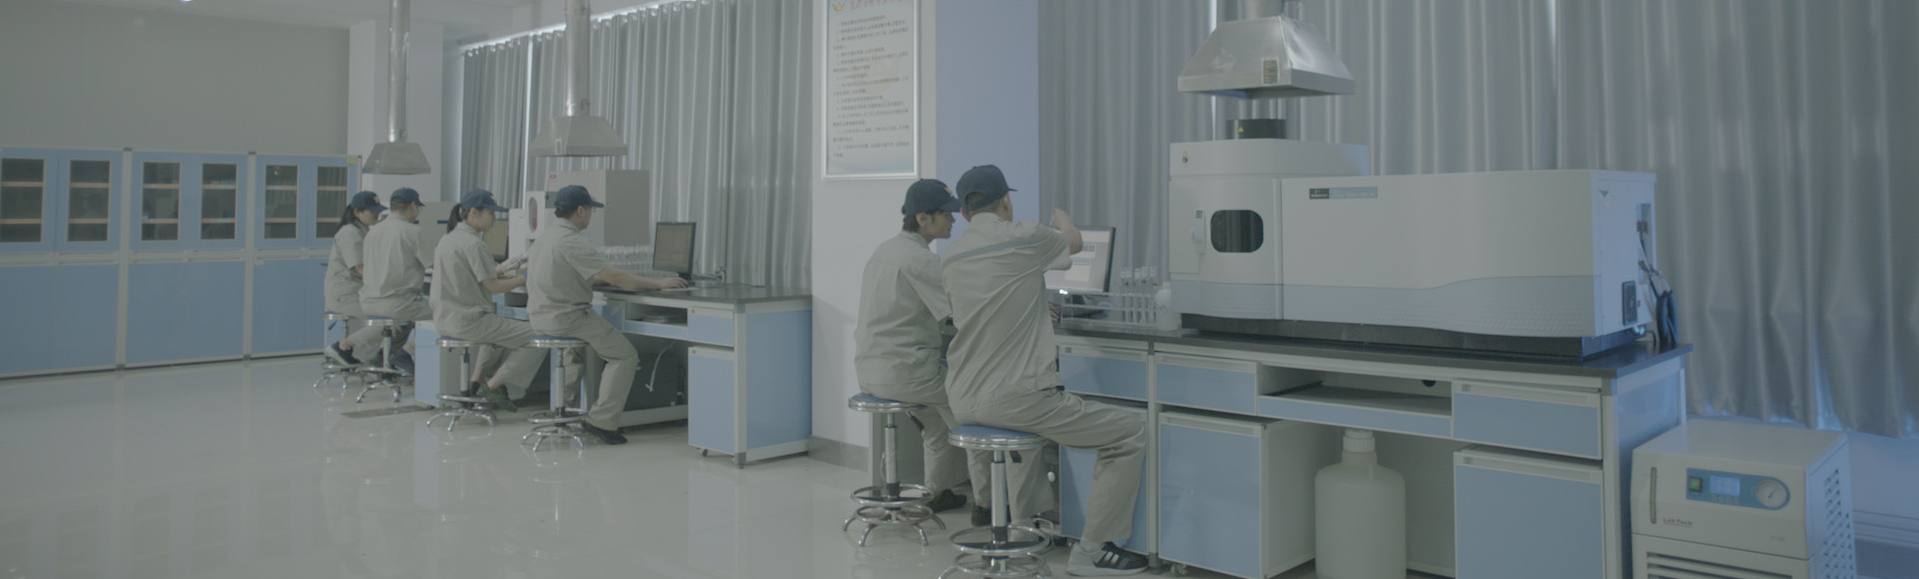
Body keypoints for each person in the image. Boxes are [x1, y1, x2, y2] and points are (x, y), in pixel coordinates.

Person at [941, 165, 1149, 576]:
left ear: (963, 213)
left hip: (962, 396)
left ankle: (1030, 523)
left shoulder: (952, 255)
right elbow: (1074, 243)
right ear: (1006, 202)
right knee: (1128, 432)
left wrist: (1036, 308)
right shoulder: (1022, 235)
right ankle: (1092, 551)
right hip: (1014, 397)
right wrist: (1063, 219)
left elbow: (985, 310)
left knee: (1036, 429)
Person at [854, 179, 980, 514]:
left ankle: (938, 491)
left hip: (871, 369)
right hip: (906, 372)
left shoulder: (884, 251)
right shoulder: (920, 260)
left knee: (935, 424)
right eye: (946, 214)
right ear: (923, 218)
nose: (953, 220)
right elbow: (960, 310)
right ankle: (989, 503)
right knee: (971, 412)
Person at [526, 185, 688, 445]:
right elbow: (616, 277)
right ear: (581, 211)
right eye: (590, 211)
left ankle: (563, 409)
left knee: (577, 352)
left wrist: (603, 278)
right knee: (624, 355)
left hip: (542, 316)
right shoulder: (572, 241)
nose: (591, 216)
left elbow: (576, 274)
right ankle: (602, 421)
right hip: (568, 317)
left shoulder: (546, 237)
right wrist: (658, 283)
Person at [429, 189, 546, 410]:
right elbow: (493, 287)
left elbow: (473, 275)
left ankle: (476, 381)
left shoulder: (448, 239)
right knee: (540, 335)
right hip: (469, 321)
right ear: (474, 213)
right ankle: (492, 386)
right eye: (491, 213)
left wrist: (502, 269)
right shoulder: (474, 244)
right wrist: (525, 278)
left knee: (500, 330)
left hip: (446, 319)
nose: (494, 218)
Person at [360, 187, 433, 369]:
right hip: (398, 303)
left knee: (405, 322)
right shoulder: (412, 231)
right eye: (418, 208)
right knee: (444, 314)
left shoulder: (373, 231)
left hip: (369, 301)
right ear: (412, 206)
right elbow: (432, 265)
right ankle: (405, 354)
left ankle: (383, 358)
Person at [325, 191, 385, 366]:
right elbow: (359, 268)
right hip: (346, 296)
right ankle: (343, 347)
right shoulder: (349, 233)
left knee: (395, 318)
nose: (377, 214)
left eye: (378, 210)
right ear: (357, 212)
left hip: (357, 292)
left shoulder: (362, 230)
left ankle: (379, 358)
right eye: (372, 211)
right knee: (389, 321)